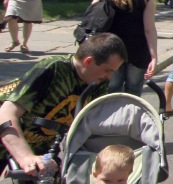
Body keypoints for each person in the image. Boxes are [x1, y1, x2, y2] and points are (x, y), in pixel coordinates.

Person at [0, 33, 127, 171]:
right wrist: (25, 157)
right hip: (8, 132)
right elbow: (5, 115)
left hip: (39, 143)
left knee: (50, 183)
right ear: (88, 61)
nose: (110, 77)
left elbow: (93, 126)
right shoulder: (53, 69)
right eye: (107, 70)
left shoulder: (98, 82)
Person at [95, 0, 158, 96]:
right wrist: (154, 56)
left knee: (111, 89)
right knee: (133, 90)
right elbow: (149, 29)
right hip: (137, 50)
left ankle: (111, 117)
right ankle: (129, 117)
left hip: (110, 46)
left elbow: (93, 10)